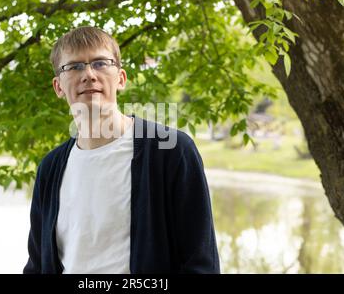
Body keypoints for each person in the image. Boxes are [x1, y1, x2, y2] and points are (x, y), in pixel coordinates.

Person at [23, 26, 220, 274]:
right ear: (58, 86)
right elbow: (37, 265)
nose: (89, 75)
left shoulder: (170, 150)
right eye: (74, 67)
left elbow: (200, 264)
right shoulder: (50, 168)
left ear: (121, 79)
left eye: (100, 63)